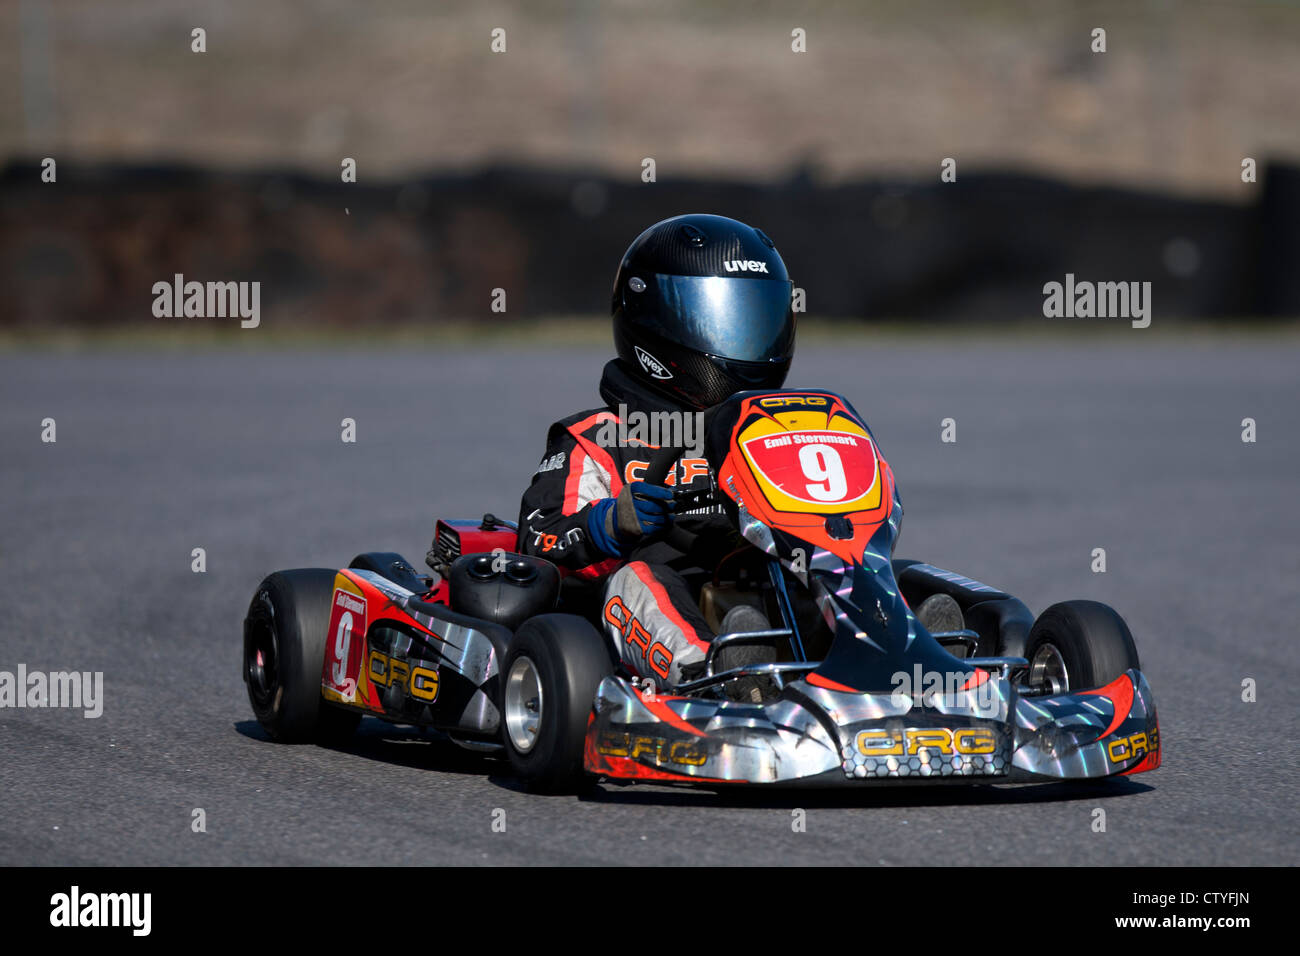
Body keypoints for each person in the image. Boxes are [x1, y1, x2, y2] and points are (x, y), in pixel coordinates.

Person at [516, 214, 797, 697]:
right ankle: (715, 676)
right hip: (641, 606)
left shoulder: (777, 434)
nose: (746, 339)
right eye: (727, 320)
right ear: (659, 325)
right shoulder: (599, 437)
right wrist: (610, 523)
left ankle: (910, 655)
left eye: (756, 320)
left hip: (759, 589)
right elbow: (538, 542)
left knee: (835, 571)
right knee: (639, 579)